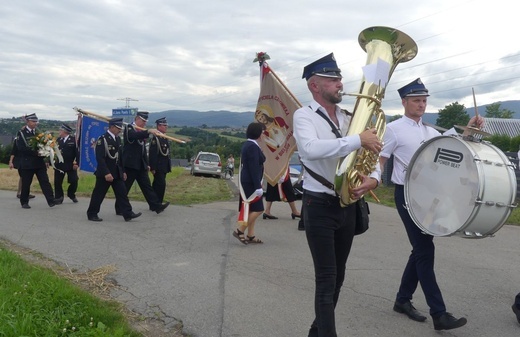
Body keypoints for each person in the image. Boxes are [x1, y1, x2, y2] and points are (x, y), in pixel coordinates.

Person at [380, 78, 484, 331]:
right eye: (416, 100)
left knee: (420, 250)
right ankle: (439, 313)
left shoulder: (430, 132)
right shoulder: (393, 129)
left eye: (424, 101)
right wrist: (371, 180)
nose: (421, 105)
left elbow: (452, 145)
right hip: (406, 196)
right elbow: (380, 158)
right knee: (425, 250)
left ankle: (402, 300)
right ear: (404, 102)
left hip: (428, 197)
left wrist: (469, 129)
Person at [293, 53, 381, 336]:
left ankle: (316, 331)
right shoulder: (304, 115)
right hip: (318, 204)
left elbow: (376, 151)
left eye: (340, 79)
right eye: (332, 80)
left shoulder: (350, 117)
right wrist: (357, 139)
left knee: (339, 277)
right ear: (314, 86)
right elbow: (310, 149)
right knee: (326, 278)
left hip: (348, 204)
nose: (340, 84)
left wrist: (374, 179)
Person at [86, 118, 142, 222]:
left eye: (120, 128)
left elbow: (120, 158)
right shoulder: (102, 140)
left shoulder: (117, 139)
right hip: (105, 173)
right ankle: (92, 213)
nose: (120, 130)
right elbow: (100, 158)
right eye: (118, 128)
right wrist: (106, 173)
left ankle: (128, 213)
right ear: (111, 127)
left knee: (122, 193)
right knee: (98, 194)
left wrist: (123, 171)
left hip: (117, 172)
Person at [116, 111, 169, 215]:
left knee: (147, 187)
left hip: (140, 164)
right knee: (125, 188)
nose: (144, 123)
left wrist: (147, 163)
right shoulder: (129, 128)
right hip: (130, 164)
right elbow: (133, 136)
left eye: (146, 121)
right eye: (143, 121)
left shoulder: (142, 130)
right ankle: (119, 208)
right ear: (137, 119)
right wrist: (148, 131)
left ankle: (156, 206)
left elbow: (143, 149)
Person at [233, 122, 266, 245]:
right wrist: (258, 186)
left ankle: (251, 235)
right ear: (257, 133)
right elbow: (253, 167)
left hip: (249, 181)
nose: (263, 134)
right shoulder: (252, 146)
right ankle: (240, 230)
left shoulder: (251, 145)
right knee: (258, 209)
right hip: (251, 183)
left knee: (252, 208)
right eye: (262, 132)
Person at [14, 113, 57, 209]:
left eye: (36, 121)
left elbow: (44, 144)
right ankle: (24, 201)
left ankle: (51, 200)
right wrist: (35, 153)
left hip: (39, 162)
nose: (35, 123)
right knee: (26, 183)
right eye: (33, 121)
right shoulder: (21, 133)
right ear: (28, 122)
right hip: (27, 162)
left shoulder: (39, 132)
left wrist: (45, 153)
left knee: (45, 181)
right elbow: (21, 148)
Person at [54, 123, 79, 204]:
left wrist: (77, 163)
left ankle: (71, 194)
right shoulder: (58, 140)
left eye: (60, 130)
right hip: (59, 164)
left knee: (74, 180)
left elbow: (77, 152)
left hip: (70, 164)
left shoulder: (73, 140)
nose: (59, 132)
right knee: (57, 182)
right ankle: (59, 197)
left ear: (65, 131)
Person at [148, 117, 171, 204]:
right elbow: (152, 154)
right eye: (164, 125)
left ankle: (155, 203)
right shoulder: (156, 138)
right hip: (158, 166)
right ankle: (157, 203)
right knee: (160, 185)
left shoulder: (164, 137)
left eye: (166, 125)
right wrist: (153, 168)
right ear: (159, 126)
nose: (166, 127)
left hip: (164, 166)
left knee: (157, 185)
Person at [9, 135, 35, 199]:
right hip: (20, 161)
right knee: (23, 176)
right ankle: (20, 193)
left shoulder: (29, 140)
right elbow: (13, 151)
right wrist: (11, 161)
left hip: (27, 161)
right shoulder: (17, 140)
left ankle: (24, 192)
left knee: (25, 177)